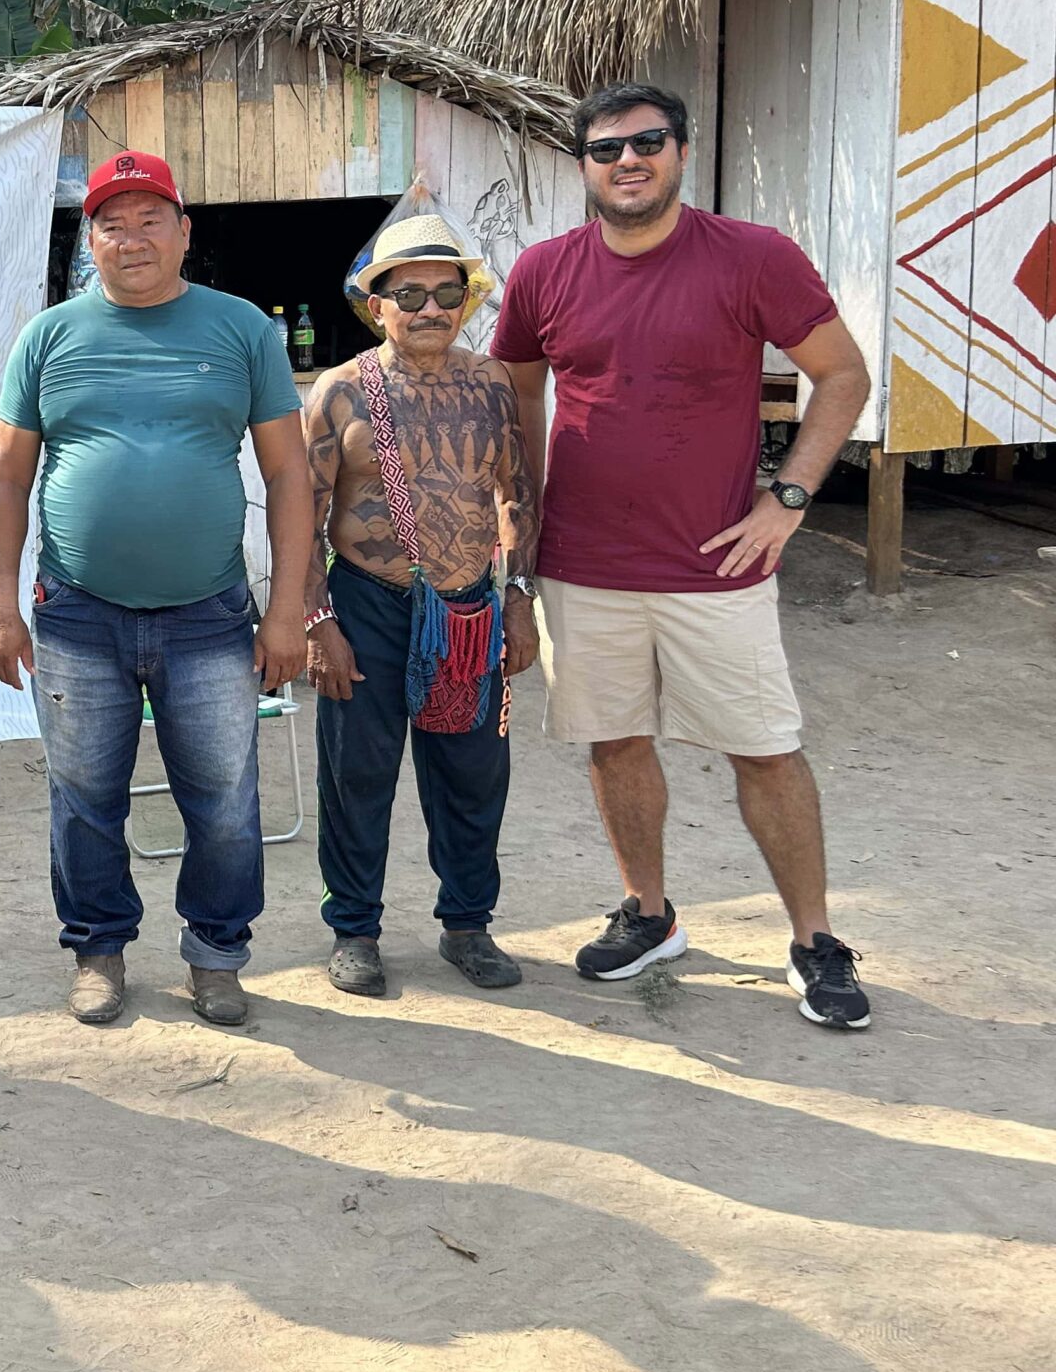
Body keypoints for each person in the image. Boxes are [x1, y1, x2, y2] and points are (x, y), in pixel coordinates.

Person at [492, 83, 875, 1029]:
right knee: (614, 742)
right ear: (581, 165)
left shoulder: (753, 257)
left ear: (680, 151)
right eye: (606, 148)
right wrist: (522, 540)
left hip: (718, 567)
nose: (628, 161)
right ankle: (651, 917)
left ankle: (815, 941)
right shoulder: (545, 271)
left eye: (648, 142)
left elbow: (843, 375)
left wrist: (787, 500)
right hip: (584, 566)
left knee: (766, 752)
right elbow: (519, 406)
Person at [0, 151, 313, 1029]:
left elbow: (288, 477)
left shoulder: (241, 329)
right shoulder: (47, 337)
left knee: (227, 800)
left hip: (210, 615)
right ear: (89, 239)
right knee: (84, 795)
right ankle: (98, 949)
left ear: (184, 231)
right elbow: (8, 480)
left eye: (148, 219)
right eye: (110, 224)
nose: (130, 240)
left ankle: (216, 955)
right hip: (78, 615)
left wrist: (286, 611)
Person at [300, 217, 540, 997]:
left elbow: (517, 494)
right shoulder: (339, 392)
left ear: (468, 300)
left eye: (448, 291)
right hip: (369, 604)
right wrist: (316, 622)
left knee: (473, 774)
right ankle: (355, 931)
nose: (431, 308)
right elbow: (301, 514)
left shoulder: (494, 382)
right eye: (409, 293)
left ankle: (467, 925)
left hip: (470, 604)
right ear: (378, 306)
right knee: (357, 773)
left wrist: (520, 596)